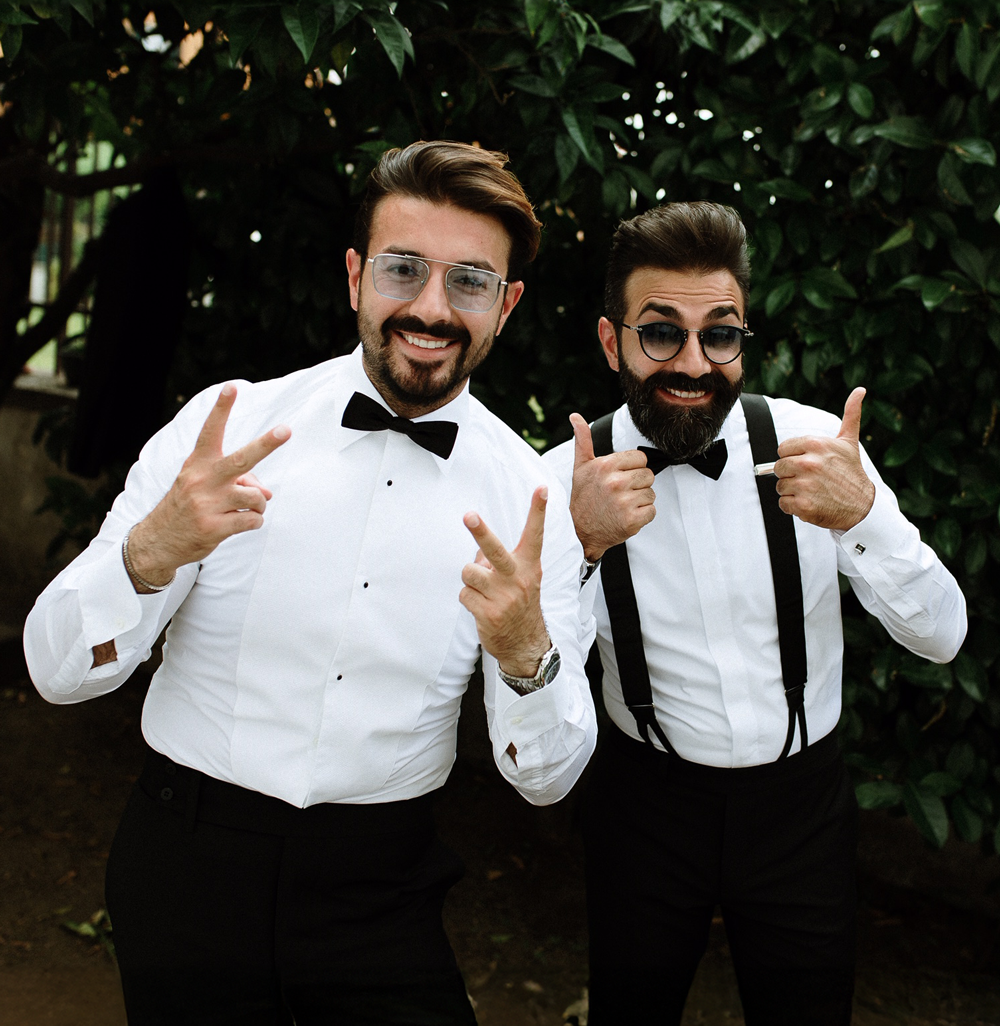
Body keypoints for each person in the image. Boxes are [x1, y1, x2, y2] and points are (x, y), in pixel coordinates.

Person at [24, 141, 597, 1025]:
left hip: (382, 886)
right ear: (356, 276)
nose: (431, 308)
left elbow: (548, 779)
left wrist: (527, 656)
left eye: (470, 282)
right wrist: (149, 553)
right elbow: (56, 673)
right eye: (403, 269)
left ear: (506, 305)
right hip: (187, 864)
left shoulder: (531, 501)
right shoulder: (226, 431)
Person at [543, 201, 967, 1026]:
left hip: (801, 810)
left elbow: (944, 637)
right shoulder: (561, 481)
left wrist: (864, 517)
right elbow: (533, 695)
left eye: (720, 335)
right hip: (644, 805)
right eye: (660, 332)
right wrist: (581, 548)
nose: (692, 363)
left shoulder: (819, 447)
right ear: (611, 342)